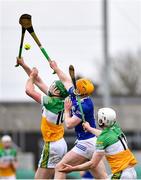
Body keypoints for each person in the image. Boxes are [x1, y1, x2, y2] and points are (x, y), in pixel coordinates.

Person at [49, 61, 108, 179]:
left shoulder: (86, 106)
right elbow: (66, 80)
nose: (74, 86)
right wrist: (56, 68)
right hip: (94, 143)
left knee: (60, 168)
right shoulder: (76, 93)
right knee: (103, 177)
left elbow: (69, 124)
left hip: (86, 143)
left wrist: (67, 110)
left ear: (80, 90)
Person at [16, 58, 68, 179]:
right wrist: (24, 65)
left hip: (52, 145)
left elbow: (29, 90)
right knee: (58, 175)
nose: (50, 86)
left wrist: (31, 77)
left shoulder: (50, 102)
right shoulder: (58, 99)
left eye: (53, 85)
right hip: (60, 143)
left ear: (56, 91)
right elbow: (38, 81)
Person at [60, 108, 137, 179]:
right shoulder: (116, 128)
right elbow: (104, 134)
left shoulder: (102, 139)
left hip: (122, 175)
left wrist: (73, 168)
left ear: (101, 121)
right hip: (131, 172)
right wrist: (90, 129)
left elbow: (92, 164)